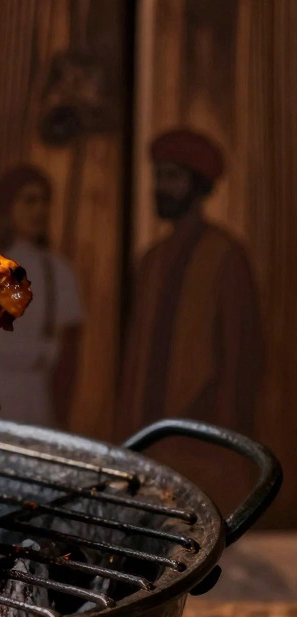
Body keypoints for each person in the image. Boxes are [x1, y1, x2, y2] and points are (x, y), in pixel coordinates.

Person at [118, 129, 263, 436]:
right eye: (158, 176)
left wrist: (228, 422)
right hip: (146, 431)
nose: (161, 187)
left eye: (172, 177)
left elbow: (240, 351)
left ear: (198, 185)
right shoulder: (151, 260)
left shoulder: (225, 255)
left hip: (205, 427)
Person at [0, 165, 84, 428]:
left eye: (45, 201)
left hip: (34, 399)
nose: (39, 210)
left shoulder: (58, 273)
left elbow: (69, 355)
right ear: (7, 209)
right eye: (29, 201)